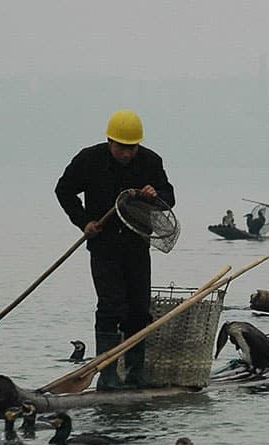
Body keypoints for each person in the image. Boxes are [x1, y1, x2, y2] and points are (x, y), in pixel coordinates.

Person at [55, 109, 175, 389]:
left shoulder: (150, 161)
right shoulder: (89, 159)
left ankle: (136, 374)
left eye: (132, 148)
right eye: (122, 147)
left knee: (139, 310)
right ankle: (108, 377)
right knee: (110, 307)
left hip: (137, 244)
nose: (127, 153)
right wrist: (84, 221)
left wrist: (156, 196)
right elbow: (64, 190)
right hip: (104, 245)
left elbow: (169, 196)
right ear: (110, 141)